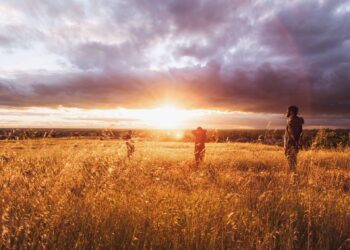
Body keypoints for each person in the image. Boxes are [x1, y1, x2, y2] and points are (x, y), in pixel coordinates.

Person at [284, 106, 304, 171]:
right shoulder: (298, 120)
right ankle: (293, 174)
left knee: (291, 161)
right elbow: (300, 132)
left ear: (291, 111)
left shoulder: (292, 120)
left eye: (288, 110)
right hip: (294, 143)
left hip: (291, 143)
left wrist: (293, 143)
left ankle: (293, 175)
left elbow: (293, 133)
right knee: (293, 160)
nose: (287, 112)